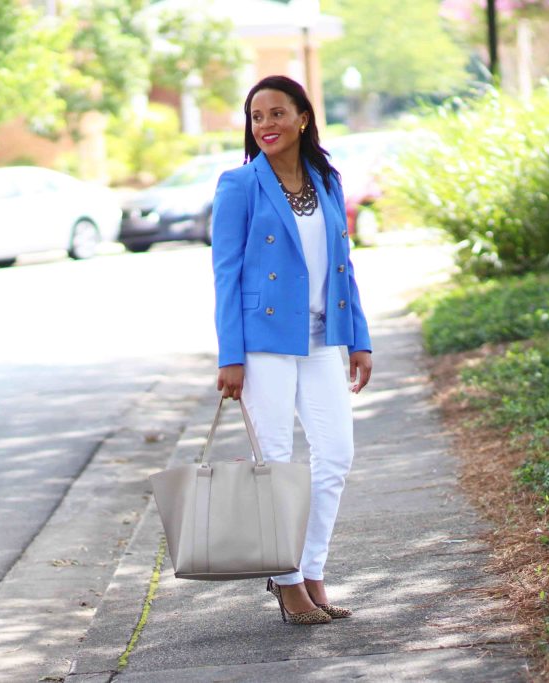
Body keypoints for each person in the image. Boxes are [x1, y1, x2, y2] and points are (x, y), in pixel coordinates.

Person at [211, 75, 373, 626]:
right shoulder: (239, 185)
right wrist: (229, 356)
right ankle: (286, 584)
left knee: (335, 456)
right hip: (263, 346)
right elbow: (225, 275)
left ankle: (313, 571)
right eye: (256, 117)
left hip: (326, 338)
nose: (266, 126)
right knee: (276, 463)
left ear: (303, 117)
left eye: (276, 113)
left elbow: (344, 266)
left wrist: (360, 339)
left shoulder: (327, 179)